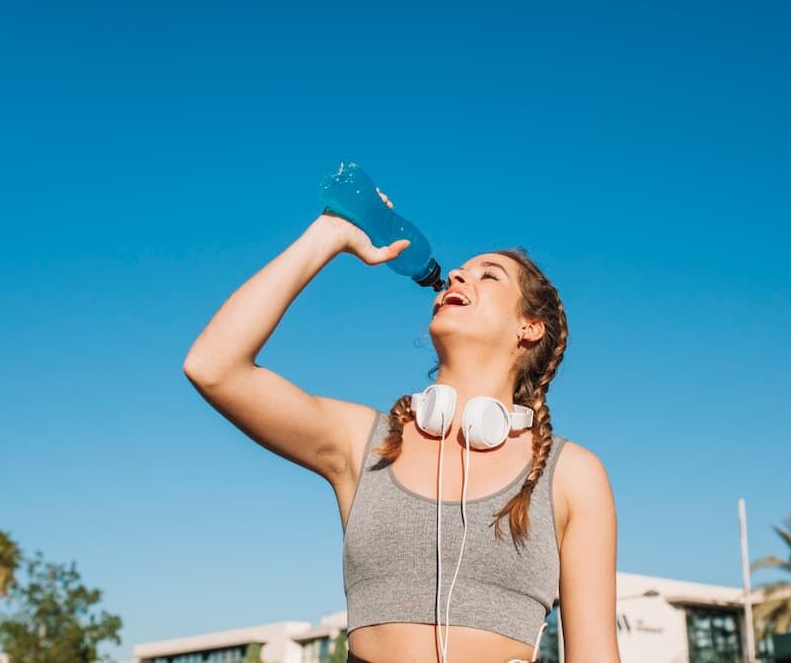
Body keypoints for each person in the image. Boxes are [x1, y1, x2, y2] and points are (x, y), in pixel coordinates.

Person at [183, 189, 620, 663]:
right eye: (460, 270)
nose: (457, 275)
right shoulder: (364, 443)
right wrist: (330, 235)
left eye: (487, 275)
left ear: (528, 328)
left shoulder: (572, 474)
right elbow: (214, 366)